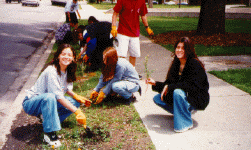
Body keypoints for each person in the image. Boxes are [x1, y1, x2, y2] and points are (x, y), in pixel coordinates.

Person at [22, 44, 92, 148]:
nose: (66, 57)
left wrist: (76, 96)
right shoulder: (51, 71)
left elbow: (66, 88)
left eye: (69, 55)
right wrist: (78, 112)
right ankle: (49, 133)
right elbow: (58, 97)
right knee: (50, 97)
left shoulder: (67, 70)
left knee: (74, 103)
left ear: (73, 58)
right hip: (31, 103)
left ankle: (48, 120)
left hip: (48, 102)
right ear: (58, 56)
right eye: (63, 54)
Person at [146, 37, 210, 133]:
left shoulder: (194, 64)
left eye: (183, 48)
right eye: (178, 47)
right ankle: (183, 112)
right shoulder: (176, 63)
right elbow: (169, 83)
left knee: (177, 92)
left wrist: (170, 87)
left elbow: (190, 86)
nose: (179, 50)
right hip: (184, 96)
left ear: (188, 50)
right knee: (158, 98)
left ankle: (185, 123)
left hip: (196, 97)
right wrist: (155, 83)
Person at [111, 0, 154, 69]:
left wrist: (147, 27)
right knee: (121, 55)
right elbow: (115, 13)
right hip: (123, 32)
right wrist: (113, 27)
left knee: (134, 54)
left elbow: (143, 15)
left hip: (135, 33)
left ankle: (131, 72)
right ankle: (121, 73)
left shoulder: (141, 1)